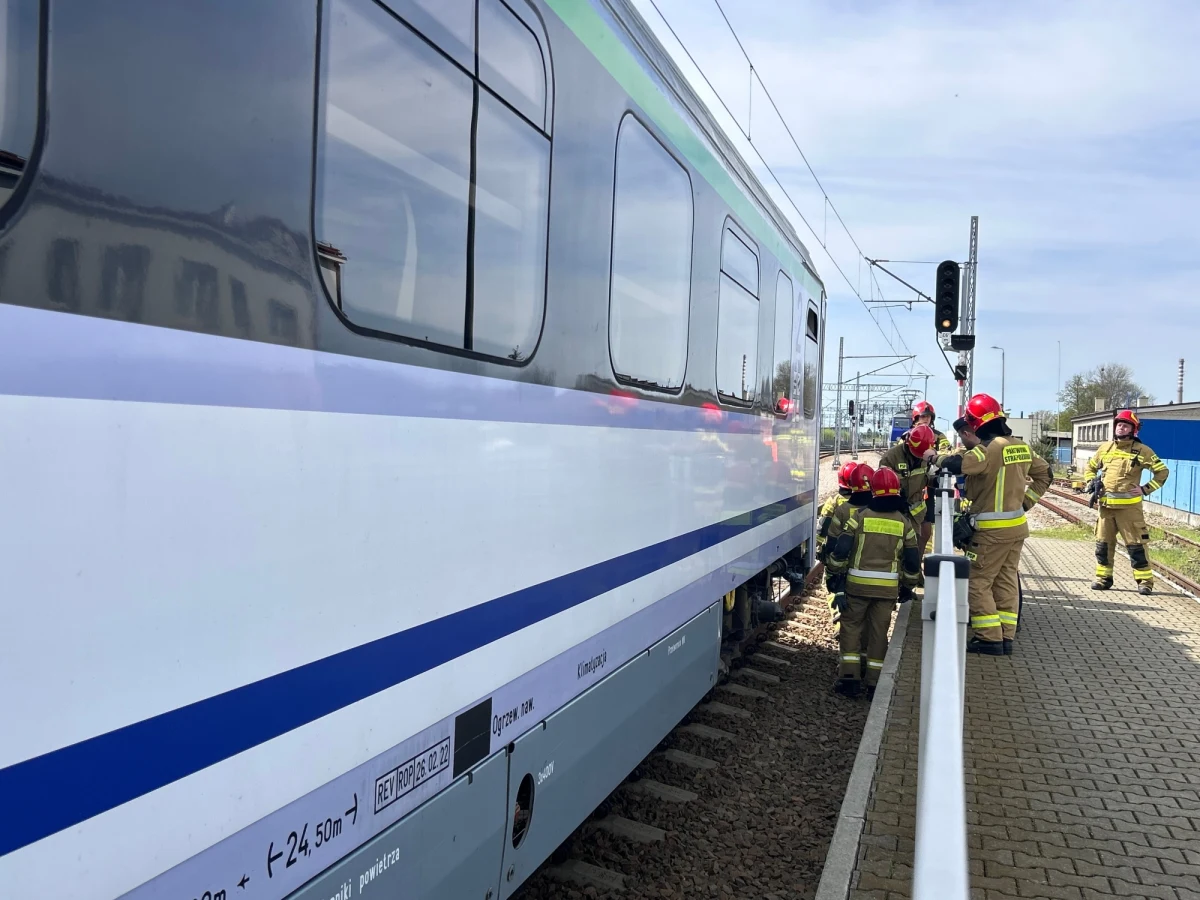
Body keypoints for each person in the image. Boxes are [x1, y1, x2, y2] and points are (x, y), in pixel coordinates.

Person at [929, 393, 1052, 655]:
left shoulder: (989, 449)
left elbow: (959, 464)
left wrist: (933, 457)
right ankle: (1006, 636)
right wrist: (1025, 504)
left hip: (991, 531)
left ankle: (989, 638)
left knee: (977, 581)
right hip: (1016, 527)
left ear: (978, 423)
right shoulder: (1020, 445)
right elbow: (1045, 474)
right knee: (1005, 581)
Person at [825, 466, 920, 698]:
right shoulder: (904, 523)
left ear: (873, 491)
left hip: (856, 587)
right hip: (887, 592)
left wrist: (835, 576)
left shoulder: (859, 518)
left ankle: (849, 679)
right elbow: (912, 560)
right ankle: (874, 683)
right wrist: (907, 586)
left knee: (851, 629)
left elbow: (840, 551)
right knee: (879, 633)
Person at [1086, 409, 1170, 594]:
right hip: (1105, 509)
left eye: (1125, 425)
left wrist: (1144, 489)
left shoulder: (1142, 451)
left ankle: (1145, 582)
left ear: (1133, 430)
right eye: (1119, 424)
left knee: (1136, 547)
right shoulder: (1105, 448)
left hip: (1129, 510)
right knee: (1103, 546)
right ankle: (1103, 579)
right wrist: (1091, 482)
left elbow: (1162, 472)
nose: (1121, 428)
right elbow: (1090, 468)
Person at [821, 463, 874, 634]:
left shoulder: (836, 502)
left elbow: (824, 528)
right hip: (864, 556)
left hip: (840, 553)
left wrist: (823, 551)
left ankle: (838, 617)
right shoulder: (873, 506)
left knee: (832, 583)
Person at [878, 424, 938, 538]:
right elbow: (881, 484)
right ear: (908, 443)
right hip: (893, 511)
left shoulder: (926, 456)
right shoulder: (891, 457)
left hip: (915, 515)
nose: (919, 458)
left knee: (912, 545)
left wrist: (935, 481)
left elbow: (926, 477)